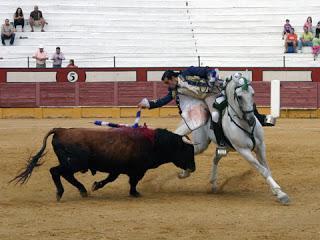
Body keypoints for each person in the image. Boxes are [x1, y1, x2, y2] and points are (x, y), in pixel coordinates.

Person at [138, 67, 274, 151]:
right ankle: (221, 143)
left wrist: (211, 78)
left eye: (168, 82)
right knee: (215, 116)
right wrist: (149, 104)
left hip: (216, 88)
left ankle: (261, 119)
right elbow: (164, 100)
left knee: (243, 97)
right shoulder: (175, 89)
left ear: (173, 77)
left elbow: (208, 70)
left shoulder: (188, 72)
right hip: (208, 98)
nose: (168, 85)